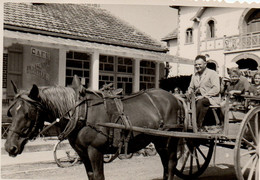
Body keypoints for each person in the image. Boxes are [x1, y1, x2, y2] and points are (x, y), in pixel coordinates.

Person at [187, 55, 220, 131]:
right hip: (197, 97)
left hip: (211, 98)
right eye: (196, 65)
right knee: (185, 102)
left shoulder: (212, 73)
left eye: (199, 64)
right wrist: (190, 92)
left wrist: (203, 96)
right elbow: (191, 87)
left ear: (205, 64)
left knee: (200, 102)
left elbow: (216, 89)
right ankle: (186, 123)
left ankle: (197, 125)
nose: (197, 66)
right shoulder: (194, 75)